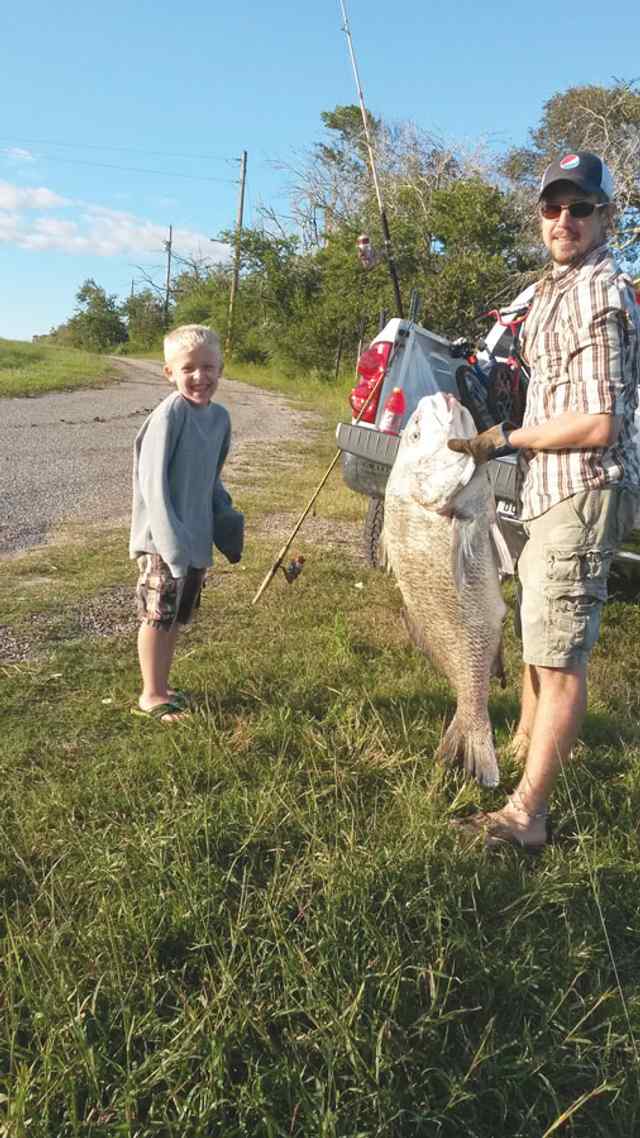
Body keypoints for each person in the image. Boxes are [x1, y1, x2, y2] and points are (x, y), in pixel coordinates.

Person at [448, 151, 640, 849]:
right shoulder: (554, 288)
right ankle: (525, 745)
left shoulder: (601, 293)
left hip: (583, 486)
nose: (564, 220)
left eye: (579, 208)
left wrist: (506, 438)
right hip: (547, 489)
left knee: (559, 658)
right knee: (539, 633)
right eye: (552, 208)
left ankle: (527, 815)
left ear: (606, 216)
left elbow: (599, 424)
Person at [129, 324, 244, 723]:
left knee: (177, 616)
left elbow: (211, 479)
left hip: (195, 537)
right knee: (157, 616)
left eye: (208, 367)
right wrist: (170, 544)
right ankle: (151, 695)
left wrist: (226, 521)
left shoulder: (220, 419)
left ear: (221, 369)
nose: (200, 376)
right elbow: (152, 483)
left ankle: (162, 685)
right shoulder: (170, 415)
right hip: (163, 540)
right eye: (188, 368)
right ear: (170, 373)